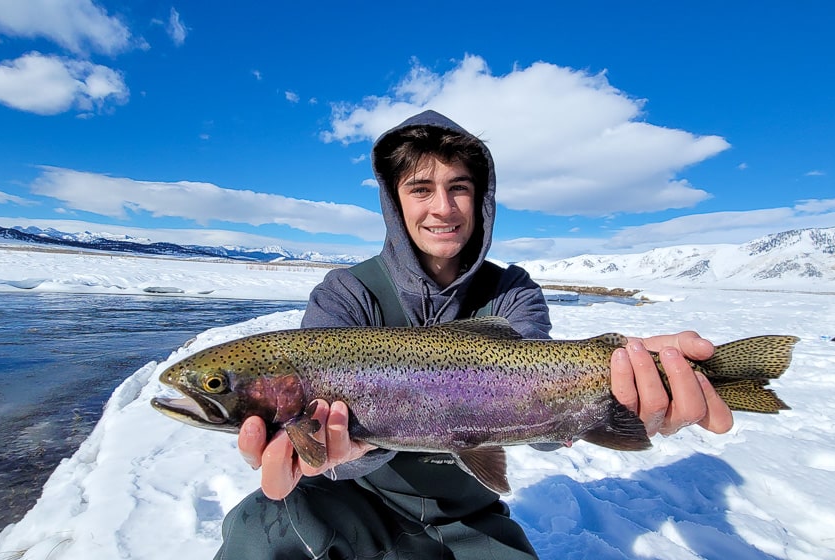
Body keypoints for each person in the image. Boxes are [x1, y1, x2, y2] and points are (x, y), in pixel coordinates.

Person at [216, 110, 733, 559]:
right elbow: (328, 451)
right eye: (420, 189)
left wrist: (623, 392)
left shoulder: (513, 292)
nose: (442, 208)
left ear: (480, 199)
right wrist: (340, 455)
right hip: (354, 500)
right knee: (257, 531)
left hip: (469, 511)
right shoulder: (347, 294)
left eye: (458, 187)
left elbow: (547, 414)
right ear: (395, 204)